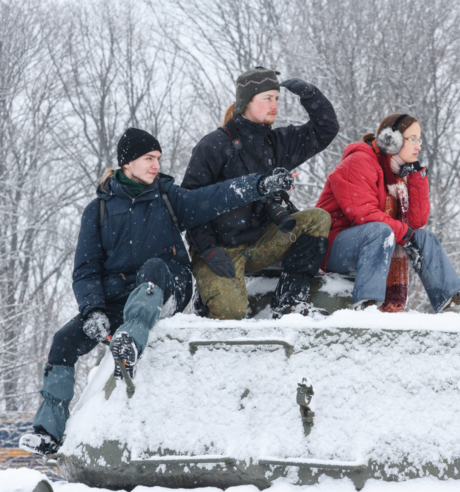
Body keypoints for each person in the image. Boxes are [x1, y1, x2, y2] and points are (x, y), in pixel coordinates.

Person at [19, 128, 297, 456]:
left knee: (152, 270)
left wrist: (259, 185)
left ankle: (130, 343)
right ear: (127, 164)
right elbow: (86, 270)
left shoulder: (167, 197)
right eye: (149, 159)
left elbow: (214, 197)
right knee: (64, 340)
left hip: (169, 283)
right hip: (120, 296)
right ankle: (48, 432)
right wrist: (93, 310)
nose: (156, 165)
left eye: (158, 159)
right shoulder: (98, 211)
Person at [182, 67, 340, 319]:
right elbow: (188, 206)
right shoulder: (213, 145)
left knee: (317, 218)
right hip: (220, 249)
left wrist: (311, 95)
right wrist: (209, 250)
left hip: (260, 243)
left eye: (277, 98)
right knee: (231, 312)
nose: (275, 105)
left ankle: (289, 302)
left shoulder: (276, 143)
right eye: (267, 98)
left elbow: (326, 130)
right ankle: (207, 295)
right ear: (246, 102)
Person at [315, 113, 460, 312]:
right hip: (331, 246)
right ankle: (368, 305)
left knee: (424, 238)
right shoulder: (359, 162)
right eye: (412, 139)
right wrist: (404, 233)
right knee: (382, 232)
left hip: (370, 241)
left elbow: (417, 222)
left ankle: (451, 303)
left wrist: (416, 178)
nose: (418, 146)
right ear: (391, 140)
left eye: (419, 140)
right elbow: (363, 215)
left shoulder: (398, 174)